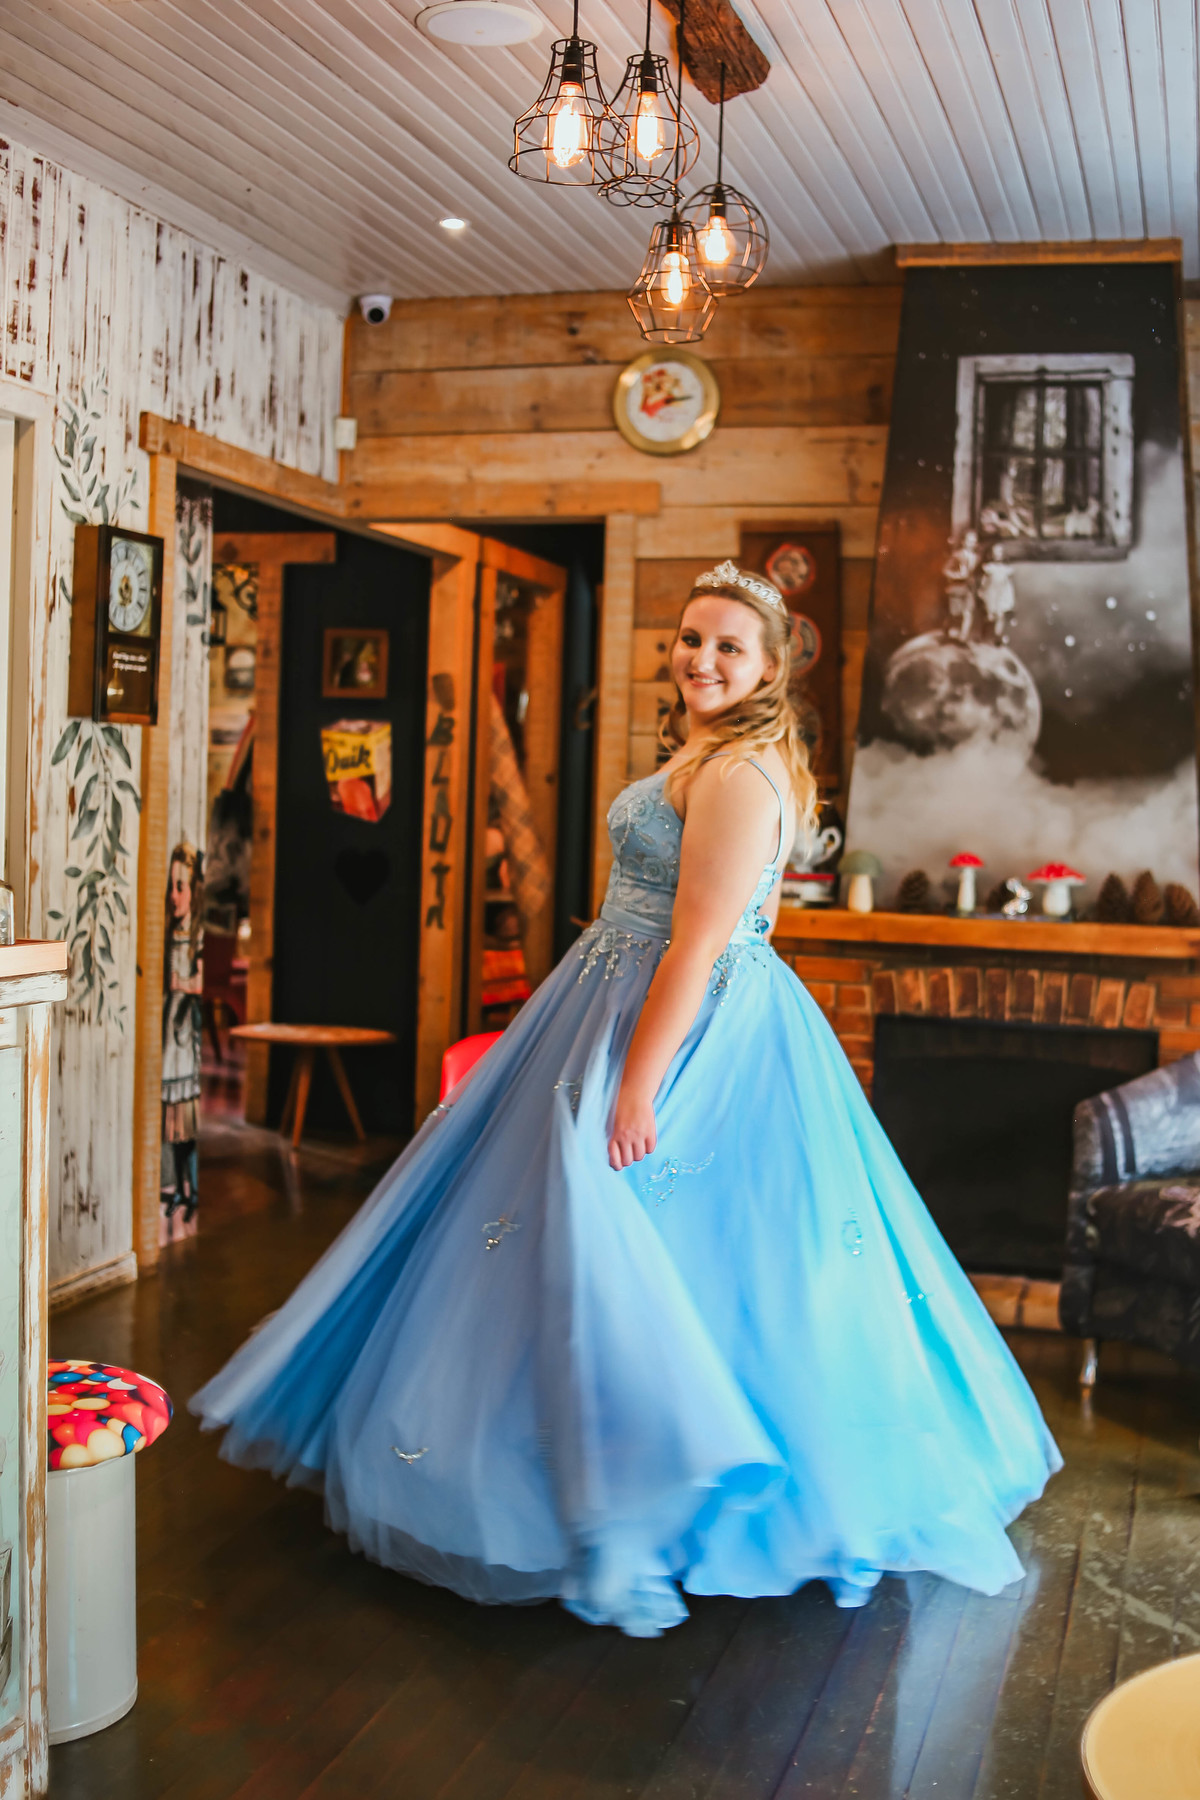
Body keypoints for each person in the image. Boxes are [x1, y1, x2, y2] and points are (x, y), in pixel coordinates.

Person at [192, 563, 1060, 1637]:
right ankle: (566, 1468)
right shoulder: (705, 750)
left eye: (729, 647)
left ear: (770, 668)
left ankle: (659, 1488)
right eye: (691, 639)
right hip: (608, 992)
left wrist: (637, 1084)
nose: (702, 659)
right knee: (565, 1238)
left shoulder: (740, 773)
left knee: (650, 1238)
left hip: (679, 1026)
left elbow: (697, 945)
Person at [163, 842, 204, 1224]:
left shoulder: (196, 935)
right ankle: (178, 1189)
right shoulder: (170, 931)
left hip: (184, 1032)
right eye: (171, 887)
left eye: (181, 886)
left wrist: (180, 983)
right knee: (173, 1125)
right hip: (168, 1037)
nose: (174, 895)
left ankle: (192, 1191)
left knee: (187, 1125)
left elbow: (200, 981)